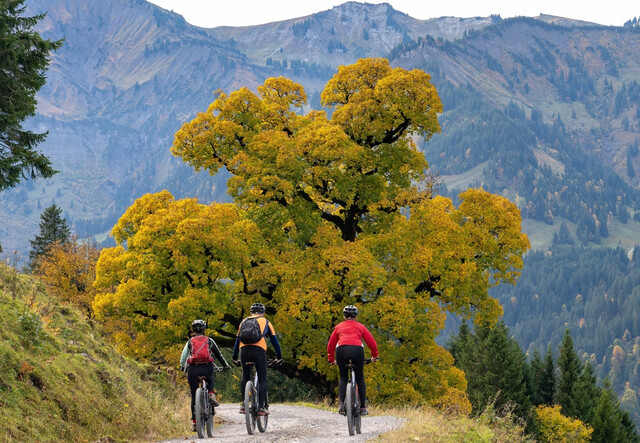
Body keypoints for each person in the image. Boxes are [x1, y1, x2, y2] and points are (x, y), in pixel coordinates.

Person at [232, 302, 283, 416]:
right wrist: (279, 356)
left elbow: (237, 341)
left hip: (244, 351)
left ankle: (244, 404)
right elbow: (275, 341)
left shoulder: (244, 322)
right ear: (263, 313)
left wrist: (235, 357)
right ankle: (260, 407)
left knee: (245, 376)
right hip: (259, 351)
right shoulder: (265, 322)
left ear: (251, 313)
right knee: (262, 378)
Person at [180, 319, 230, 432]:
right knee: (210, 378)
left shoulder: (190, 341)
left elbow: (183, 357)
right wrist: (225, 365)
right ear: (204, 329)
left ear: (193, 330)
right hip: (207, 367)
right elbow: (218, 354)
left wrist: (182, 366)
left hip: (193, 369)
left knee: (193, 395)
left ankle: (194, 422)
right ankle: (211, 394)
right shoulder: (209, 340)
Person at [327, 305, 378, 416]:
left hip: (342, 350)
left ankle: (341, 404)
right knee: (360, 377)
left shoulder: (338, 327)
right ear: (356, 316)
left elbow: (330, 345)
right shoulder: (361, 326)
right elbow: (372, 342)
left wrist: (331, 359)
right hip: (357, 350)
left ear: (344, 316)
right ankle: (363, 407)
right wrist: (375, 356)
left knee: (343, 377)